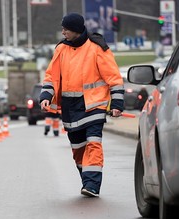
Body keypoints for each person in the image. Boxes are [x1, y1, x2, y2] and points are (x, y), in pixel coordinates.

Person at [39, 13, 124, 197]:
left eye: (66, 29)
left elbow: (114, 77)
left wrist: (117, 102)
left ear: (76, 30)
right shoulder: (61, 49)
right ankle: (87, 179)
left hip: (94, 105)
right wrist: (46, 95)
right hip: (70, 108)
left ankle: (92, 185)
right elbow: (51, 76)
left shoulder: (97, 48)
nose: (63, 32)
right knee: (78, 148)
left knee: (93, 142)